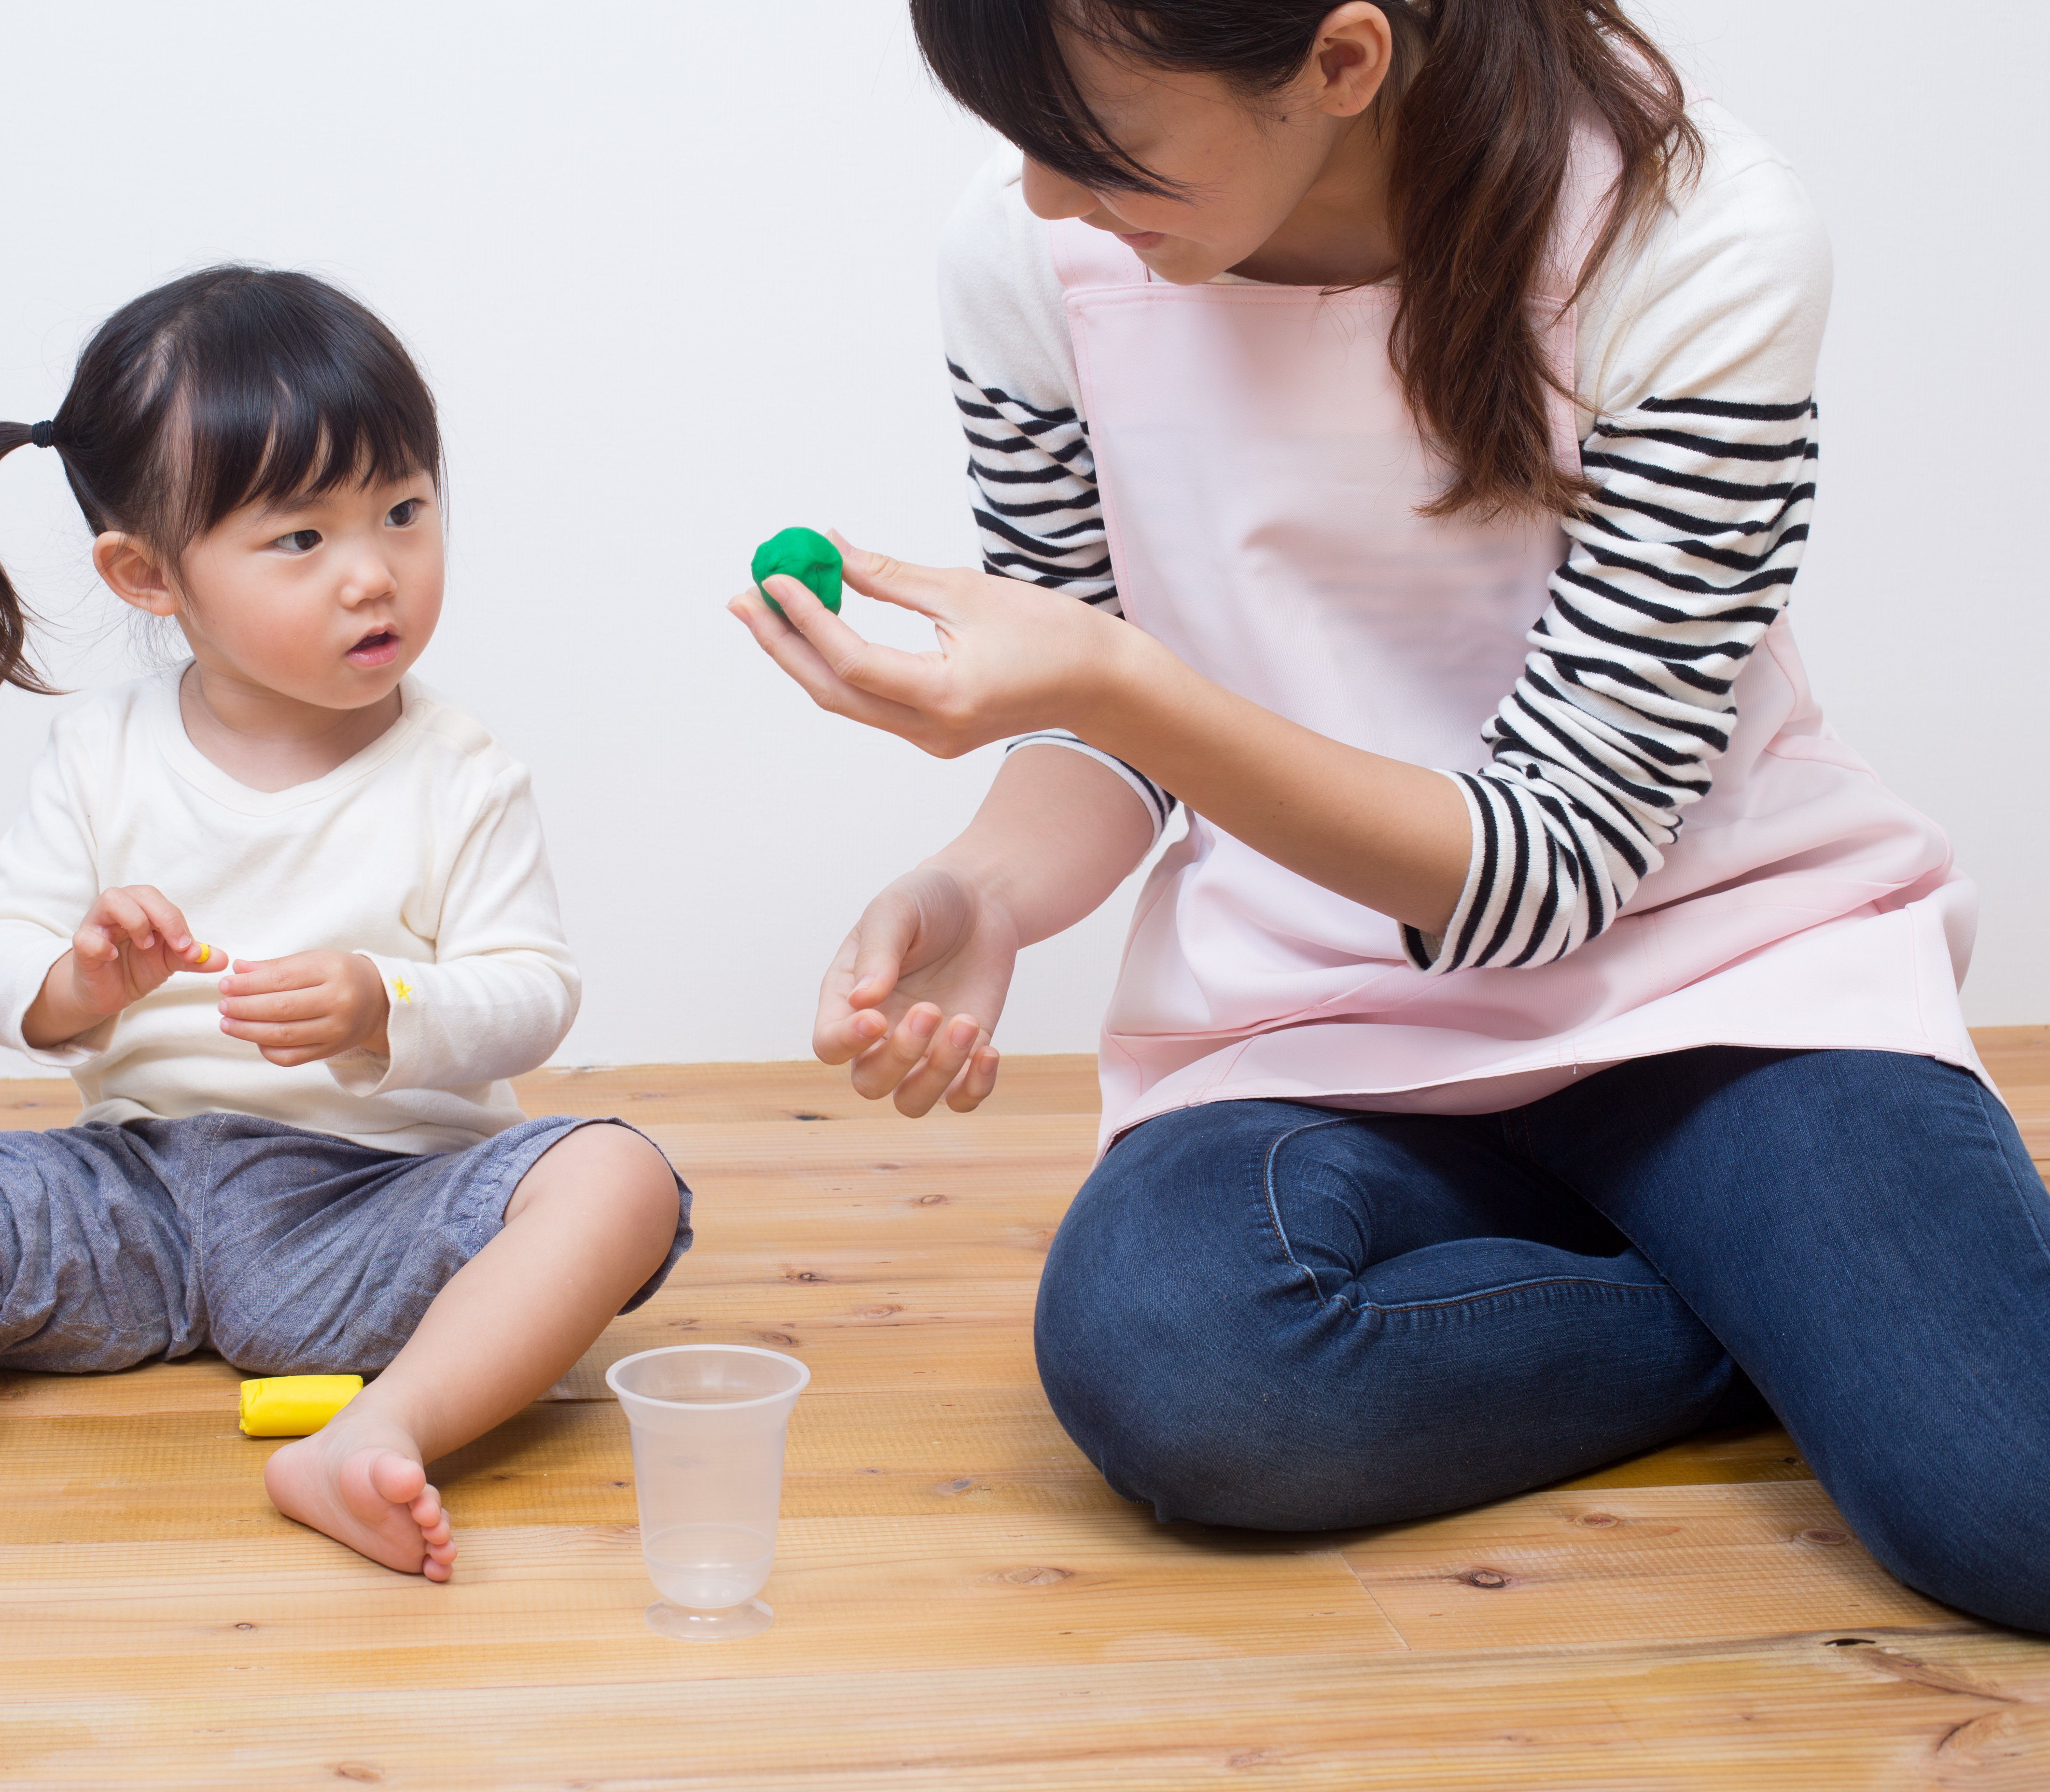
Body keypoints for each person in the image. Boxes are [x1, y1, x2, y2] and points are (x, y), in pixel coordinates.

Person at [732, 0, 2048, 1631]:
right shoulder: (1025, 265)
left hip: (1724, 994)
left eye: (1098, 145)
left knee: (2015, 1505)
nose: (1049, 198)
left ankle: (1800, 1287)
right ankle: (1774, 1308)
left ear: (1343, 62)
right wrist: (987, 893)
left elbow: (1554, 864)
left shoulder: (1696, 238)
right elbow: (1111, 744)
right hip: (1324, 1023)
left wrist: (1120, 685)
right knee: (1178, 1358)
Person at [0, 267, 691, 1592]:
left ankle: (377, 1433)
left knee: (620, 1178)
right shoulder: (102, 756)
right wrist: (81, 982)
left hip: (374, 1205)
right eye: (302, 540)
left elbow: (533, 992)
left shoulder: (459, 771)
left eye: (406, 511)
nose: (376, 574)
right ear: (147, 576)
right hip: (137, 1191)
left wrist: (385, 1007)